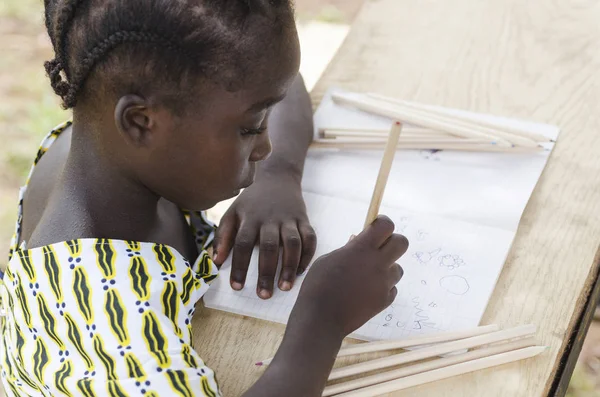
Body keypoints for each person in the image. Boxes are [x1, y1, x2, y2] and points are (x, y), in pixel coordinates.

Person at [0, 1, 408, 396]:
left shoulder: (97, 151)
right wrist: (323, 319)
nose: (266, 145)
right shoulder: (103, 321)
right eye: (251, 128)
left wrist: (277, 176)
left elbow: (273, 79)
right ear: (142, 123)